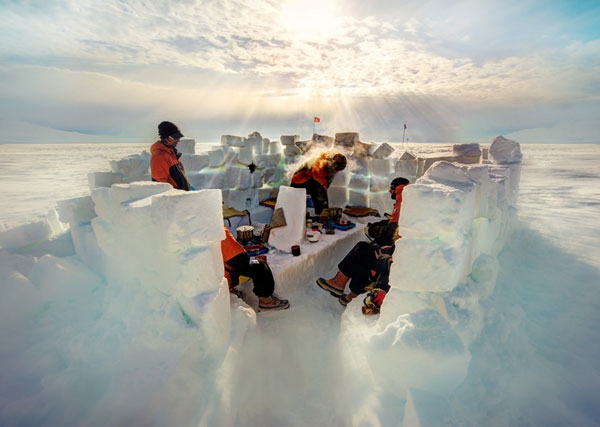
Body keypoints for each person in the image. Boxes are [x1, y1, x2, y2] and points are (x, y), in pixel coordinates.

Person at [316, 177, 410, 309]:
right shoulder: (405, 203)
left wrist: (377, 233)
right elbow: (394, 226)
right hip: (395, 256)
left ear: (397, 188)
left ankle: (339, 283)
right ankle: (353, 294)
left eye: (391, 188)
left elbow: (392, 229)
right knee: (368, 251)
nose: (389, 192)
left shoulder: (402, 199)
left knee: (362, 250)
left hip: (394, 261)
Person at [221, 226, 290, 311]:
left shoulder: (204, 235)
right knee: (260, 265)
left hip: (218, 276)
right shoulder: (219, 231)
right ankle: (266, 301)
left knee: (251, 262)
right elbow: (240, 260)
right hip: (227, 278)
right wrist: (249, 257)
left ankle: (233, 291)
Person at [150, 121, 191, 191]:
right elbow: (160, 186)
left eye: (179, 137)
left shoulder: (172, 153)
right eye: (175, 137)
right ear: (166, 138)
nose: (178, 140)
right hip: (175, 200)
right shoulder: (159, 156)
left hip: (182, 197)